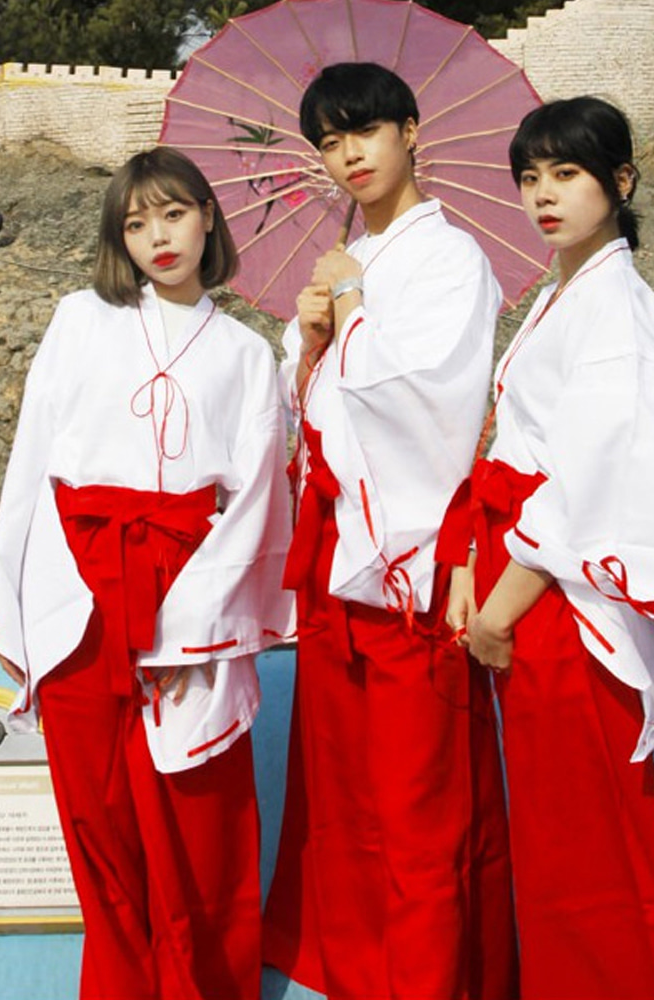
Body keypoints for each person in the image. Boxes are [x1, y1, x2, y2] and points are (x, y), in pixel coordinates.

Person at [452, 96, 654, 1000]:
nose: (543, 195)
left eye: (568, 173)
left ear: (620, 180)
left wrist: (499, 610)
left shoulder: (617, 308)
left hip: (556, 596)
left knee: (589, 830)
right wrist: (475, 568)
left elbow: (584, 481)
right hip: (522, 570)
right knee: (557, 830)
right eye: (530, 177)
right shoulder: (565, 295)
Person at [0, 147, 292, 1000]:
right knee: (100, 820)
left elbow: (259, 500)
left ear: (209, 216)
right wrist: (9, 601)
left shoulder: (247, 354)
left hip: (190, 590)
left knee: (198, 821)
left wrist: (196, 627)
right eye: (137, 222)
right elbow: (32, 460)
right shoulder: (81, 318)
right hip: (79, 588)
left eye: (174, 213)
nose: (159, 237)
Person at [262, 62, 518, 1000]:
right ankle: (361, 975)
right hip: (336, 558)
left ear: (411, 130)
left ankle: (431, 980)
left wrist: (354, 305)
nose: (349, 156)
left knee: (421, 802)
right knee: (344, 795)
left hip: (406, 562)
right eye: (329, 142)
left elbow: (429, 403)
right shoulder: (352, 261)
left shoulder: (451, 259)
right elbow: (314, 417)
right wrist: (310, 344)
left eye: (365, 131)